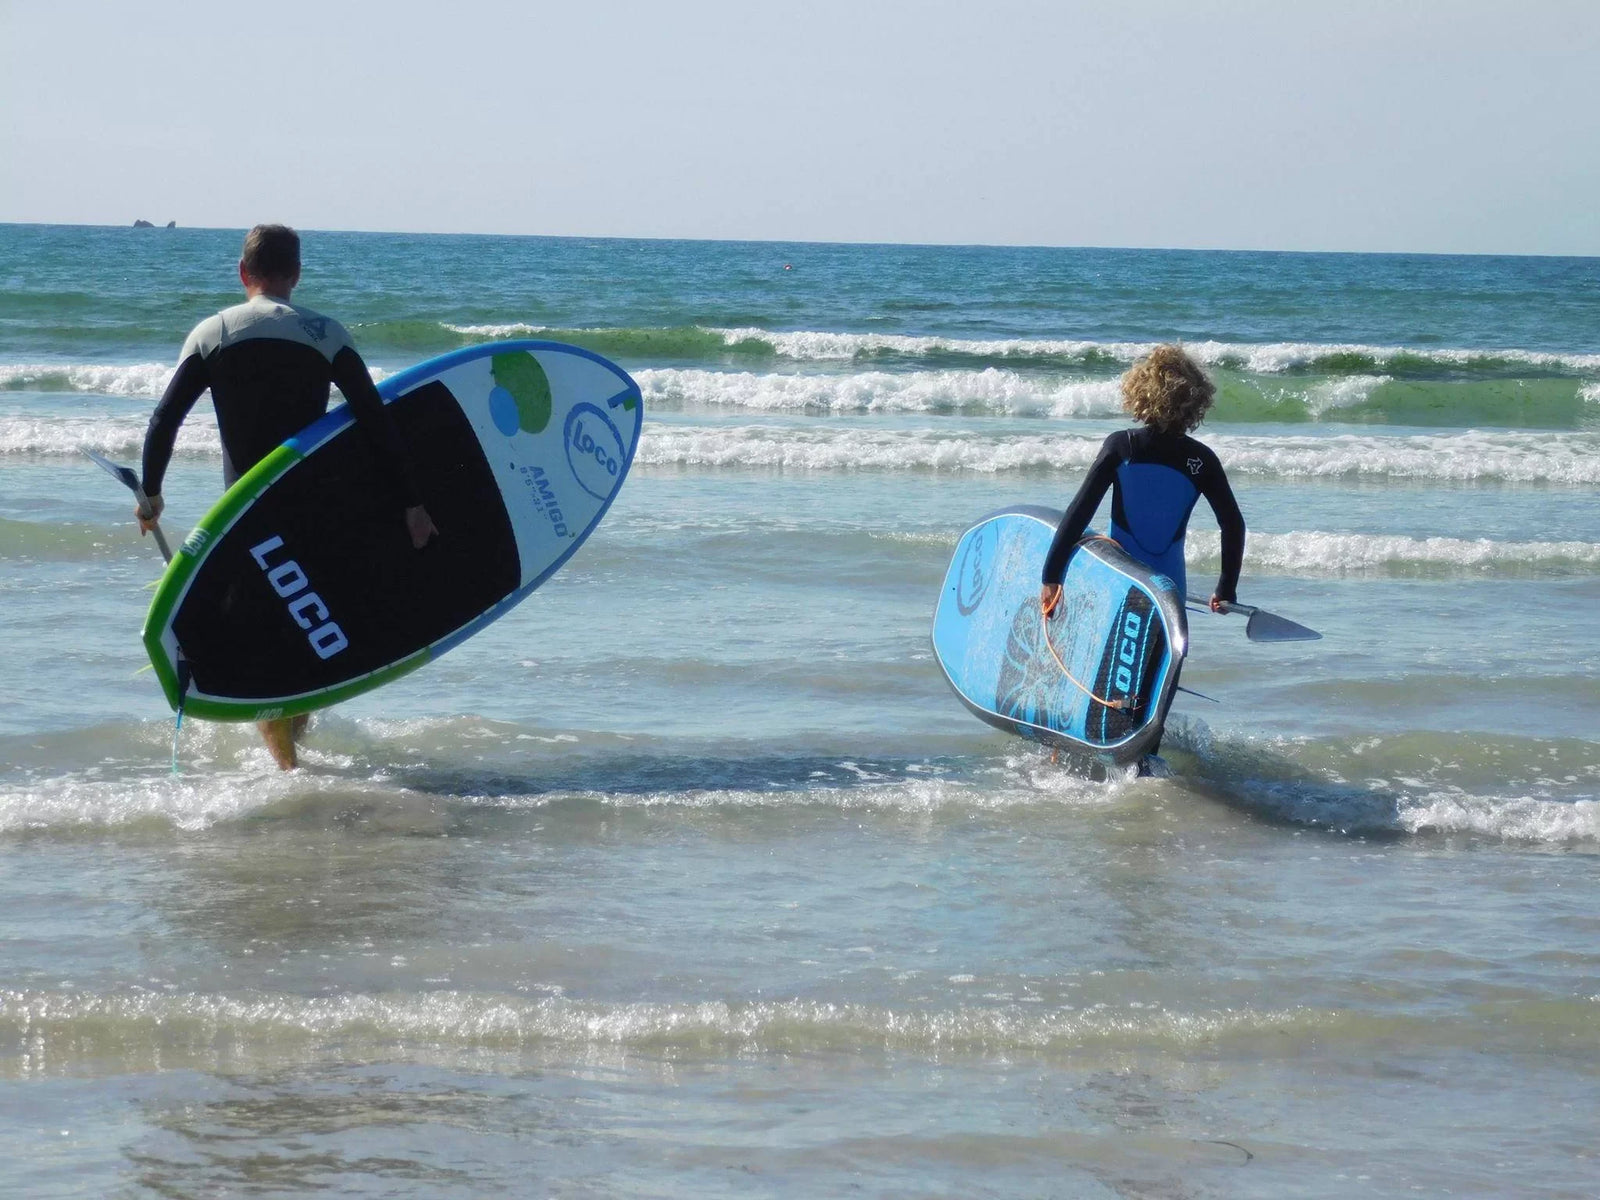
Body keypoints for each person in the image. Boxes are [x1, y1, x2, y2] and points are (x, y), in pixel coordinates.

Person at [136, 223, 438, 770]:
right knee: (309, 630)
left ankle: (287, 767)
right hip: (315, 515)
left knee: (264, 632)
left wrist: (152, 491)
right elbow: (377, 424)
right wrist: (412, 504)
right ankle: (292, 760)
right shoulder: (327, 334)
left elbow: (165, 419)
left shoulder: (215, 331)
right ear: (296, 275)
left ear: (242, 273)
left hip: (244, 520)